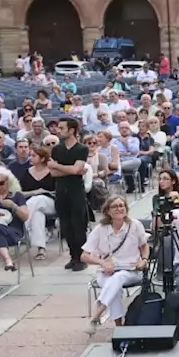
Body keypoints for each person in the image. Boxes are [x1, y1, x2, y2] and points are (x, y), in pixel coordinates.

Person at [82, 195, 149, 333]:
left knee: (119, 278)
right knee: (114, 285)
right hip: (106, 271)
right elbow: (84, 256)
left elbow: (144, 245)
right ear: (108, 211)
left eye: (122, 205)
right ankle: (120, 328)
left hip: (131, 270)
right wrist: (102, 262)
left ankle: (97, 313)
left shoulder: (135, 225)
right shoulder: (101, 229)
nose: (119, 209)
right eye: (115, 206)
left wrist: (144, 260)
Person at [49, 117, 90, 271]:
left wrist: (58, 166)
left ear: (71, 130)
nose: (58, 130)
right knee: (66, 226)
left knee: (78, 225)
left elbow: (74, 170)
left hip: (76, 192)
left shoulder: (81, 149)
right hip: (61, 191)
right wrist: (71, 170)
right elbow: (53, 173)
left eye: (61, 128)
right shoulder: (57, 149)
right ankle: (73, 256)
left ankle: (81, 257)